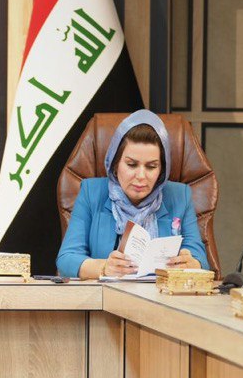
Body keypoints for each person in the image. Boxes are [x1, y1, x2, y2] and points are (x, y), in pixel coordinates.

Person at [56, 109, 207, 279]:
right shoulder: (91, 192)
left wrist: (190, 263)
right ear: (115, 164)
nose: (141, 176)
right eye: (132, 164)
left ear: (162, 170)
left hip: (161, 293)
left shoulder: (180, 195)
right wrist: (104, 267)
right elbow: (66, 259)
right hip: (106, 294)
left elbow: (200, 259)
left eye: (151, 167)